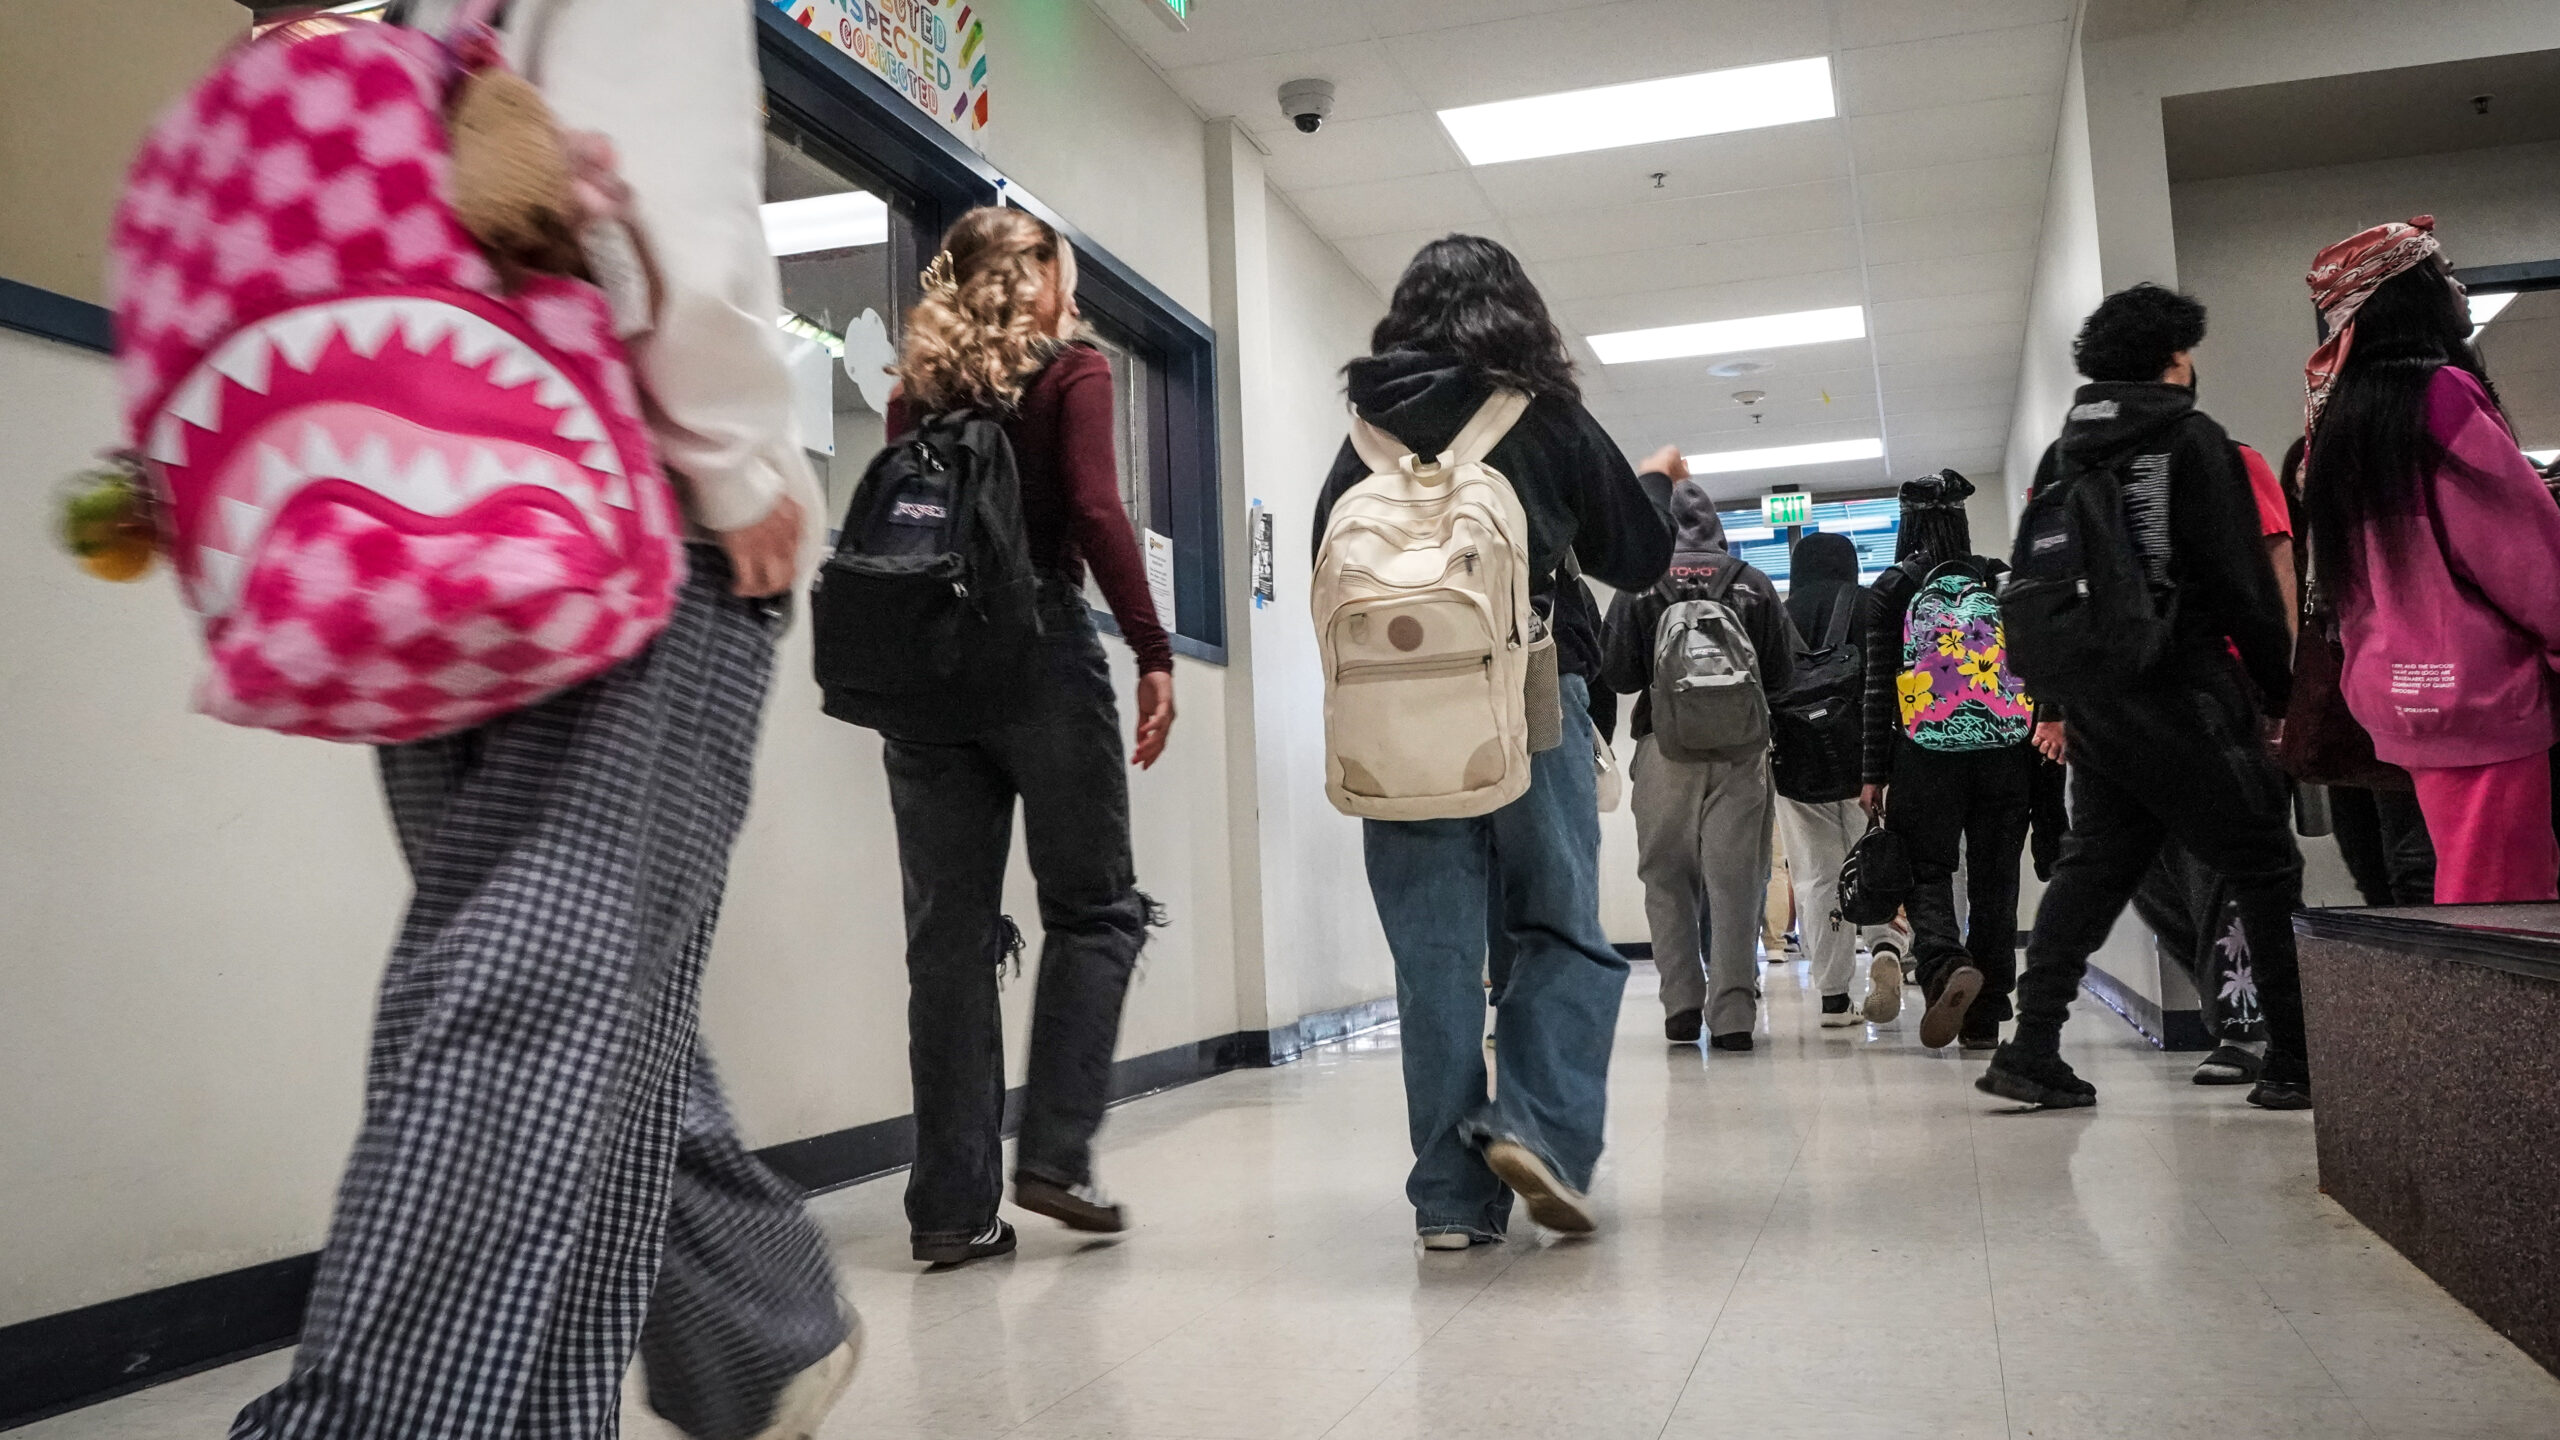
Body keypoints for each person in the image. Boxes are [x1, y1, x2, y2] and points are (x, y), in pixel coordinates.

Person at [237, 3, 857, 1437]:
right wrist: (731, 460)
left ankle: (733, 1339)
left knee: (550, 990)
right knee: (534, 999)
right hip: (609, 516)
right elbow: (656, 194)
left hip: (403, 514)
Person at [1315, 234, 1674, 1246]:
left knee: (1432, 964)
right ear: (1517, 312)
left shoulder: (1366, 429)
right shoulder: (1541, 414)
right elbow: (1638, 556)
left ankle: (1446, 1203)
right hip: (1530, 694)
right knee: (1555, 930)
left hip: (1393, 727)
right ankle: (1533, 1130)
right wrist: (1644, 484)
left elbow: (1319, 564)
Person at [877, 207, 1179, 1267]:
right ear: (1036, 281)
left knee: (946, 945)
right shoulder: (1071, 374)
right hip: (1040, 653)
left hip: (923, 678)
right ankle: (1053, 1152)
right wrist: (1152, 650)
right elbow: (1096, 514)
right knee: (1095, 908)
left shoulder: (914, 394)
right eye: (1067, 272)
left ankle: (951, 1211)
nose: (1077, 293)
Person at [1984, 283, 2310, 1112]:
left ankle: (2031, 1047)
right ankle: (2295, 1061)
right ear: (2174, 359)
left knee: (2091, 869)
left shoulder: (2068, 456)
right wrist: (2279, 691)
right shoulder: (2191, 439)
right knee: (2266, 866)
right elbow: (2240, 583)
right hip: (2185, 690)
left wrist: (2058, 701)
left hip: (2100, 703)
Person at [2300, 217, 2560, 904]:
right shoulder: (2441, 397)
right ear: (2408, 299)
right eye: (2441, 273)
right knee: (2502, 905)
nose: (2458, 285)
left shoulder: (2339, 417)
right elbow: (2526, 556)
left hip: (2398, 685)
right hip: (2481, 689)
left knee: (2461, 878)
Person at [1602, 484, 1795, 1051]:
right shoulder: (1751, 582)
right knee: (1738, 884)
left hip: (1664, 751)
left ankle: (1681, 1007)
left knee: (1666, 880)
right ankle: (1734, 1016)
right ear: (1717, 524)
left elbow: (1617, 676)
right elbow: (1783, 677)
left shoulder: (1639, 586)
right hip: (1741, 756)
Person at [1856, 472, 2037, 1052]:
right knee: (1995, 880)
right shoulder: (1999, 578)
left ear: (1907, 523)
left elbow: (1877, 689)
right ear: (1961, 521)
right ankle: (1985, 1016)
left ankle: (1943, 966)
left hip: (1923, 755)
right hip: (2005, 752)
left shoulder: (1892, 589)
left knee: (1926, 869)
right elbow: (2034, 663)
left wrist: (1872, 773)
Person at [1775, 530, 1903, 1028]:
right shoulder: (1871, 604)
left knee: (1816, 875)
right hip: (1866, 761)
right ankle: (1887, 946)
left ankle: (1832, 997)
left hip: (1797, 765)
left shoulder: (1776, 613)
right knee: (1873, 859)